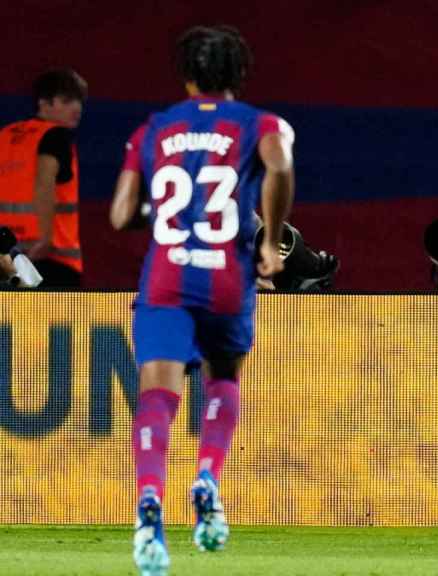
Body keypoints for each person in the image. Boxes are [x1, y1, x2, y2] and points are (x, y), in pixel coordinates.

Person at [109, 25, 294, 576]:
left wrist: (154, 210)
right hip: (226, 276)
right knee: (223, 378)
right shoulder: (259, 124)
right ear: (239, 73)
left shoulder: (153, 129)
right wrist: (270, 239)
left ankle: (149, 507)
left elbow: (119, 215)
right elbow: (279, 163)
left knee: (157, 396)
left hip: (167, 277)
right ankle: (208, 476)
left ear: (186, 75)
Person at [0, 68, 87, 287]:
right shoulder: (55, 136)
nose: (77, 108)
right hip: (51, 258)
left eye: (79, 101)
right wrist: (45, 239)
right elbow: (44, 184)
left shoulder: (5, 135)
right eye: (67, 101)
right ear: (44, 103)